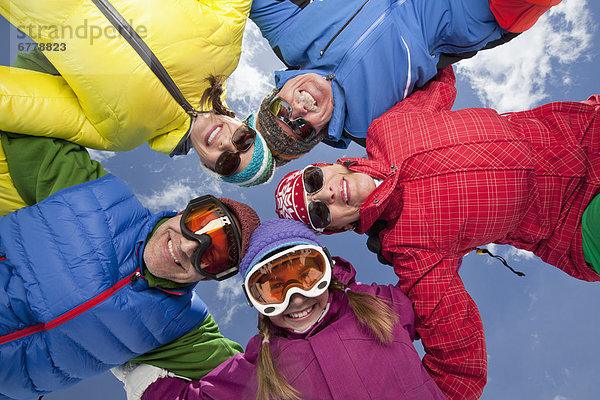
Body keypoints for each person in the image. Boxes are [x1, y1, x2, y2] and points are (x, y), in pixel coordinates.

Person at [274, 65, 600, 399]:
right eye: (318, 212)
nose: (325, 194)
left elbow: (433, 70)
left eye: (312, 182)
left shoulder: (388, 128)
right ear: (339, 227)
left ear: (326, 165)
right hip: (577, 221)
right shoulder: (411, 252)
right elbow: (459, 365)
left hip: (583, 127)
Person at [0, 131, 261, 399]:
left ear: (208, 277)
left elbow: (260, 382)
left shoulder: (182, 327)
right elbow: (19, 121)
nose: (187, 246)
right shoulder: (94, 192)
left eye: (211, 257)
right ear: (185, 211)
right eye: (199, 224)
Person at [111, 218, 448, 400]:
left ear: (328, 270)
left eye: (307, 274)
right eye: (274, 288)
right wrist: (145, 381)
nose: (297, 298)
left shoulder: (378, 306)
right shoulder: (263, 369)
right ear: (258, 302)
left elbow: (437, 294)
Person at [250, 0, 561, 166]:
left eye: (281, 110)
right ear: (317, 134)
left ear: (275, 94)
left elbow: (234, 6)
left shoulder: (290, 40)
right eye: (301, 127)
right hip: (468, 11)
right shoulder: (373, 127)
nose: (299, 110)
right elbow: (426, 157)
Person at [0, 0, 274, 187]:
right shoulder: (225, 50)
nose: (229, 145)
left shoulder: (121, 134)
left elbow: (21, 102)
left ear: (207, 165)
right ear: (243, 123)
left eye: (227, 163)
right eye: (244, 140)